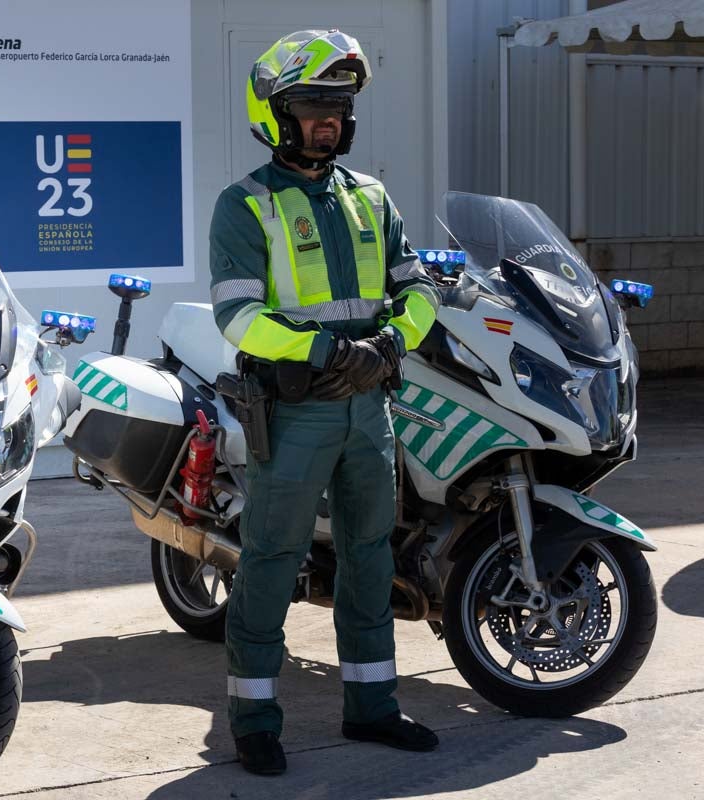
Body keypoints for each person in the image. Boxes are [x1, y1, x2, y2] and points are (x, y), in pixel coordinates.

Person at [210, 30, 441, 775]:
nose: (328, 121)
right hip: (298, 411)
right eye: (312, 106)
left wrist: (390, 346)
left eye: (337, 108)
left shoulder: (371, 198)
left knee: (372, 558)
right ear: (276, 114)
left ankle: (371, 708)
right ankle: (253, 719)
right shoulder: (245, 206)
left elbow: (419, 291)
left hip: (368, 410)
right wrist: (326, 351)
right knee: (273, 559)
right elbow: (239, 318)